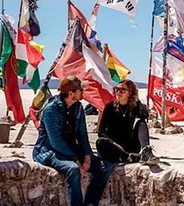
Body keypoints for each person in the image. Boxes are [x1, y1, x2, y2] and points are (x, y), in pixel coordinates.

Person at [33, 76, 113, 206]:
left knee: (105, 166)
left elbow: (82, 134)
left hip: (71, 149)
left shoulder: (78, 108)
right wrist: (76, 160)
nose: (83, 92)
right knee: (73, 169)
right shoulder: (51, 110)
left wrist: (87, 156)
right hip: (50, 151)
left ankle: (91, 203)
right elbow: (55, 141)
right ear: (71, 93)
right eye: (80, 89)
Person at [97, 79, 159, 165]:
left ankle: (146, 151)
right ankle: (128, 157)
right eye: (117, 89)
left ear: (129, 93)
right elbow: (101, 132)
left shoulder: (133, 106)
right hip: (114, 146)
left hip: (129, 145)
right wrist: (113, 143)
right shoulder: (110, 107)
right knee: (100, 142)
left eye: (122, 90)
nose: (118, 92)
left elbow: (144, 115)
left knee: (141, 123)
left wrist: (137, 100)